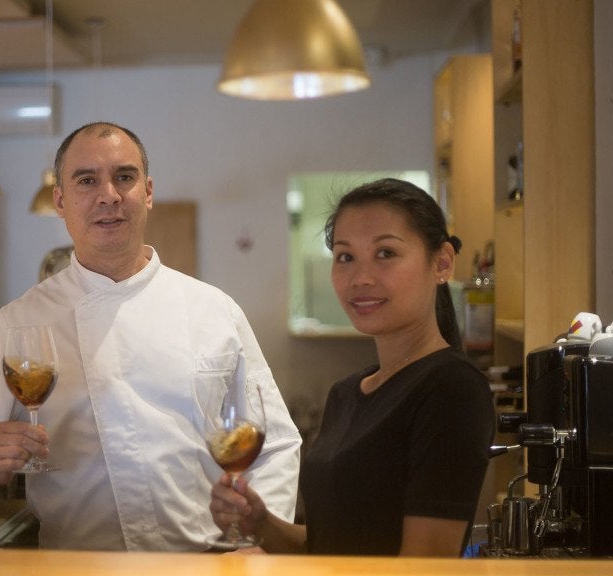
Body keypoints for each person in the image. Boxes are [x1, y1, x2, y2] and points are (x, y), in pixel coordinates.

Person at [0, 121, 302, 551]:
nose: (109, 195)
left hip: (207, 564)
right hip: (79, 565)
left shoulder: (215, 311)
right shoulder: (16, 325)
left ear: (147, 193)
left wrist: (261, 542)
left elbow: (276, 443)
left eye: (124, 177)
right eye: (87, 180)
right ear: (61, 200)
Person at [210, 178, 494, 556]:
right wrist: (261, 524)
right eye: (345, 257)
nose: (361, 278)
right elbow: (329, 546)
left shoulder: (452, 388)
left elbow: (424, 567)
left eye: (385, 253)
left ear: (441, 262)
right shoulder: (347, 392)